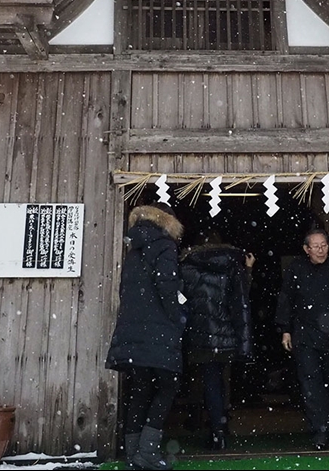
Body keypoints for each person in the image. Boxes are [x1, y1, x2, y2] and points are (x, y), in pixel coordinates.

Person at [105, 202, 185, 471]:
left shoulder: (134, 250)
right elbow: (167, 286)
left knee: (140, 390)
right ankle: (148, 452)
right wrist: (179, 316)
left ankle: (133, 453)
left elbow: (124, 292)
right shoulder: (165, 247)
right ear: (168, 223)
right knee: (167, 386)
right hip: (158, 330)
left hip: (132, 330)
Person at [275, 227, 329, 450]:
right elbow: (286, 299)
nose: (321, 250)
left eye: (324, 245)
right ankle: (321, 430)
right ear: (306, 249)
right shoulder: (296, 268)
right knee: (311, 385)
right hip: (304, 335)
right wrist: (285, 329)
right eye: (315, 246)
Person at [179, 230, 255, 450]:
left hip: (199, 334)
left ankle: (211, 429)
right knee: (224, 381)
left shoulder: (187, 266)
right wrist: (248, 270)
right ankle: (221, 425)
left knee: (205, 381)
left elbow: (180, 298)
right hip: (226, 333)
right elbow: (241, 296)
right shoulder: (231, 266)